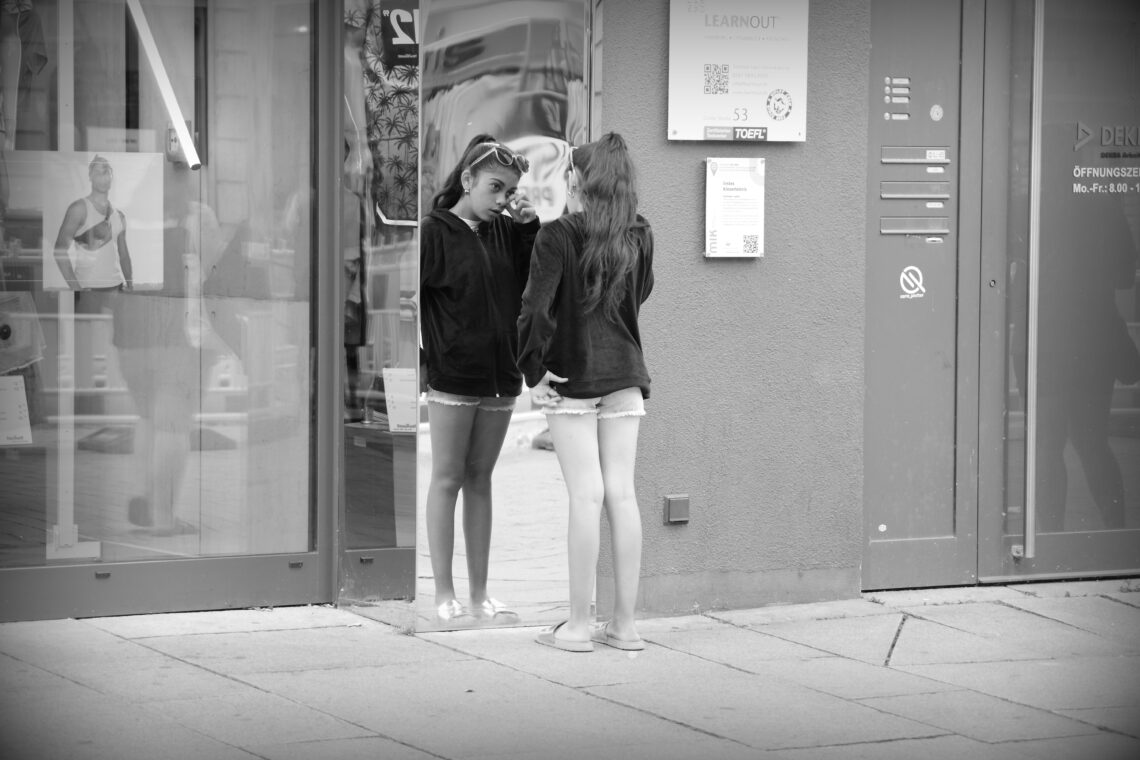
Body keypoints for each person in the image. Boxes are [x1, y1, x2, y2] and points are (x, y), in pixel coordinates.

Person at [518, 133, 654, 652]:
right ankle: (625, 626)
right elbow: (641, 295)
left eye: (568, 172)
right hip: (626, 374)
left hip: (572, 376)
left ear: (578, 178)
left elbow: (534, 309)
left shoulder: (557, 236)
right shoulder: (640, 235)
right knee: (621, 494)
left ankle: (576, 627)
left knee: (585, 495)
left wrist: (534, 371)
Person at [419, 134, 539, 623]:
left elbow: (534, 287)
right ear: (467, 180)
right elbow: (413, 301)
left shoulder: (509, 232)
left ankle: (479, 592)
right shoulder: (434, 231)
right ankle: (443, 592)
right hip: (454, 376)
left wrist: (531, 228)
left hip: (501, 376)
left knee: (481, 479)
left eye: (508, 192)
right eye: (495, 187)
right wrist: (426, 360)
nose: (502, 200)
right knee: (447, 478)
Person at [53, 154, 134, 310]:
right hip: (87, 289)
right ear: (90, 176)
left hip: (115, 289)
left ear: (111, 176)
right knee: (87, 334)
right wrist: (76, 289)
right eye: (98, 172)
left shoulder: (119, 216)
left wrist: (130, 284)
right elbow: (59, 250)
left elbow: (124, 254)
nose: (103, 176)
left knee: (113, 334)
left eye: (106, 171)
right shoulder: (79, 209)